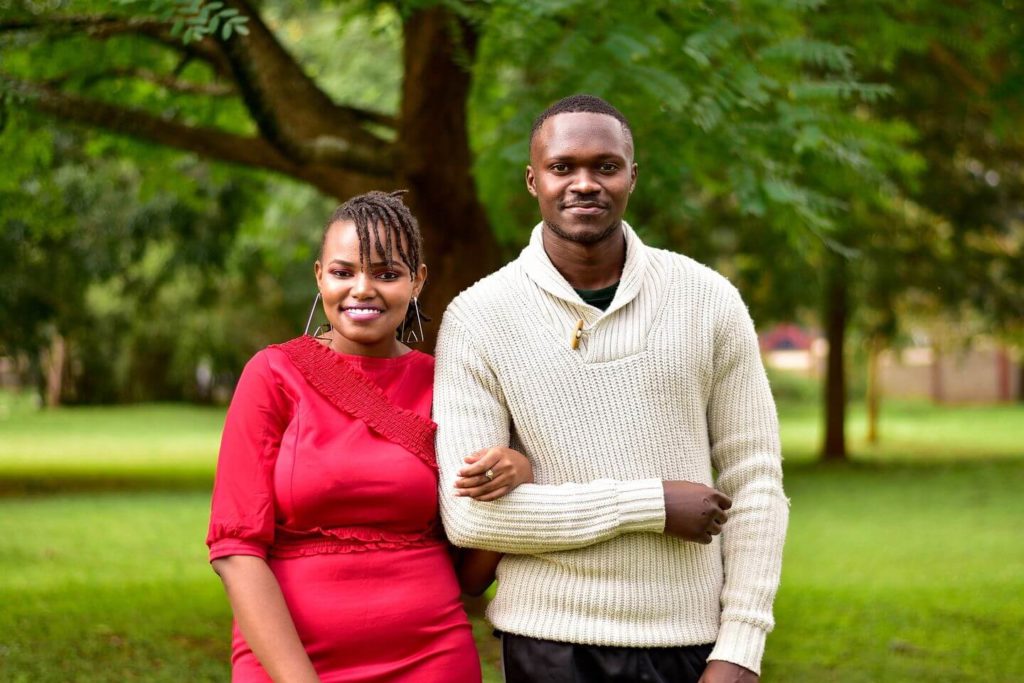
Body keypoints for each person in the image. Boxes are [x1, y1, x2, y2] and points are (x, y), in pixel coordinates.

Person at [435, 95, 789, 683]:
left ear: (632, 176)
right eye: (562, 167)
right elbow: (473, 519)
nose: (584, 184)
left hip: (690, 641)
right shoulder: (478, 317)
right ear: (533, 180)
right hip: (546, 642)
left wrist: (740, 649)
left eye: (605, 166)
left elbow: (754, 480)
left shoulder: (708, 300)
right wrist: (651, 504)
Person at [206, 191, 532, 682]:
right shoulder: (274, 375)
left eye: (386, 273)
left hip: (430, 657)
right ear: (319, 276)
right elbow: (236, 550)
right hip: (290, 662)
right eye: (343, 272)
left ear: (417, 281)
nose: (363, 289)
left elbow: (472, 575)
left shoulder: (447, 384)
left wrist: (518, 477)